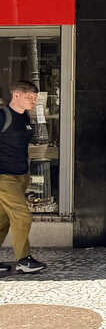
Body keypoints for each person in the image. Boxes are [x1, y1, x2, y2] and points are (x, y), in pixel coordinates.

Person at [0, 81, 45, 274]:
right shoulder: (2, 115)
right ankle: (23, 260)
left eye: (35, 98)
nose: (33, 101)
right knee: (22, 215)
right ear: (16, 94)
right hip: (3, 177)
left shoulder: (25, 117)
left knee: (3, 220)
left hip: (20, 176)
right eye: (29, 97)